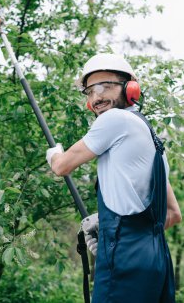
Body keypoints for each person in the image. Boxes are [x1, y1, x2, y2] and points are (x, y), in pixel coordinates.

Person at [46, 53, 182, 303]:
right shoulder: (154, 140)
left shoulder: (114, 119)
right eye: (89, 91)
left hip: (124, 262)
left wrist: (54, 154)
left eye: (104, 86)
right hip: (157, 260)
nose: (96, 97)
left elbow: (62, 167)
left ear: (130, 88)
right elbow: (173, 215)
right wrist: (110, 231)